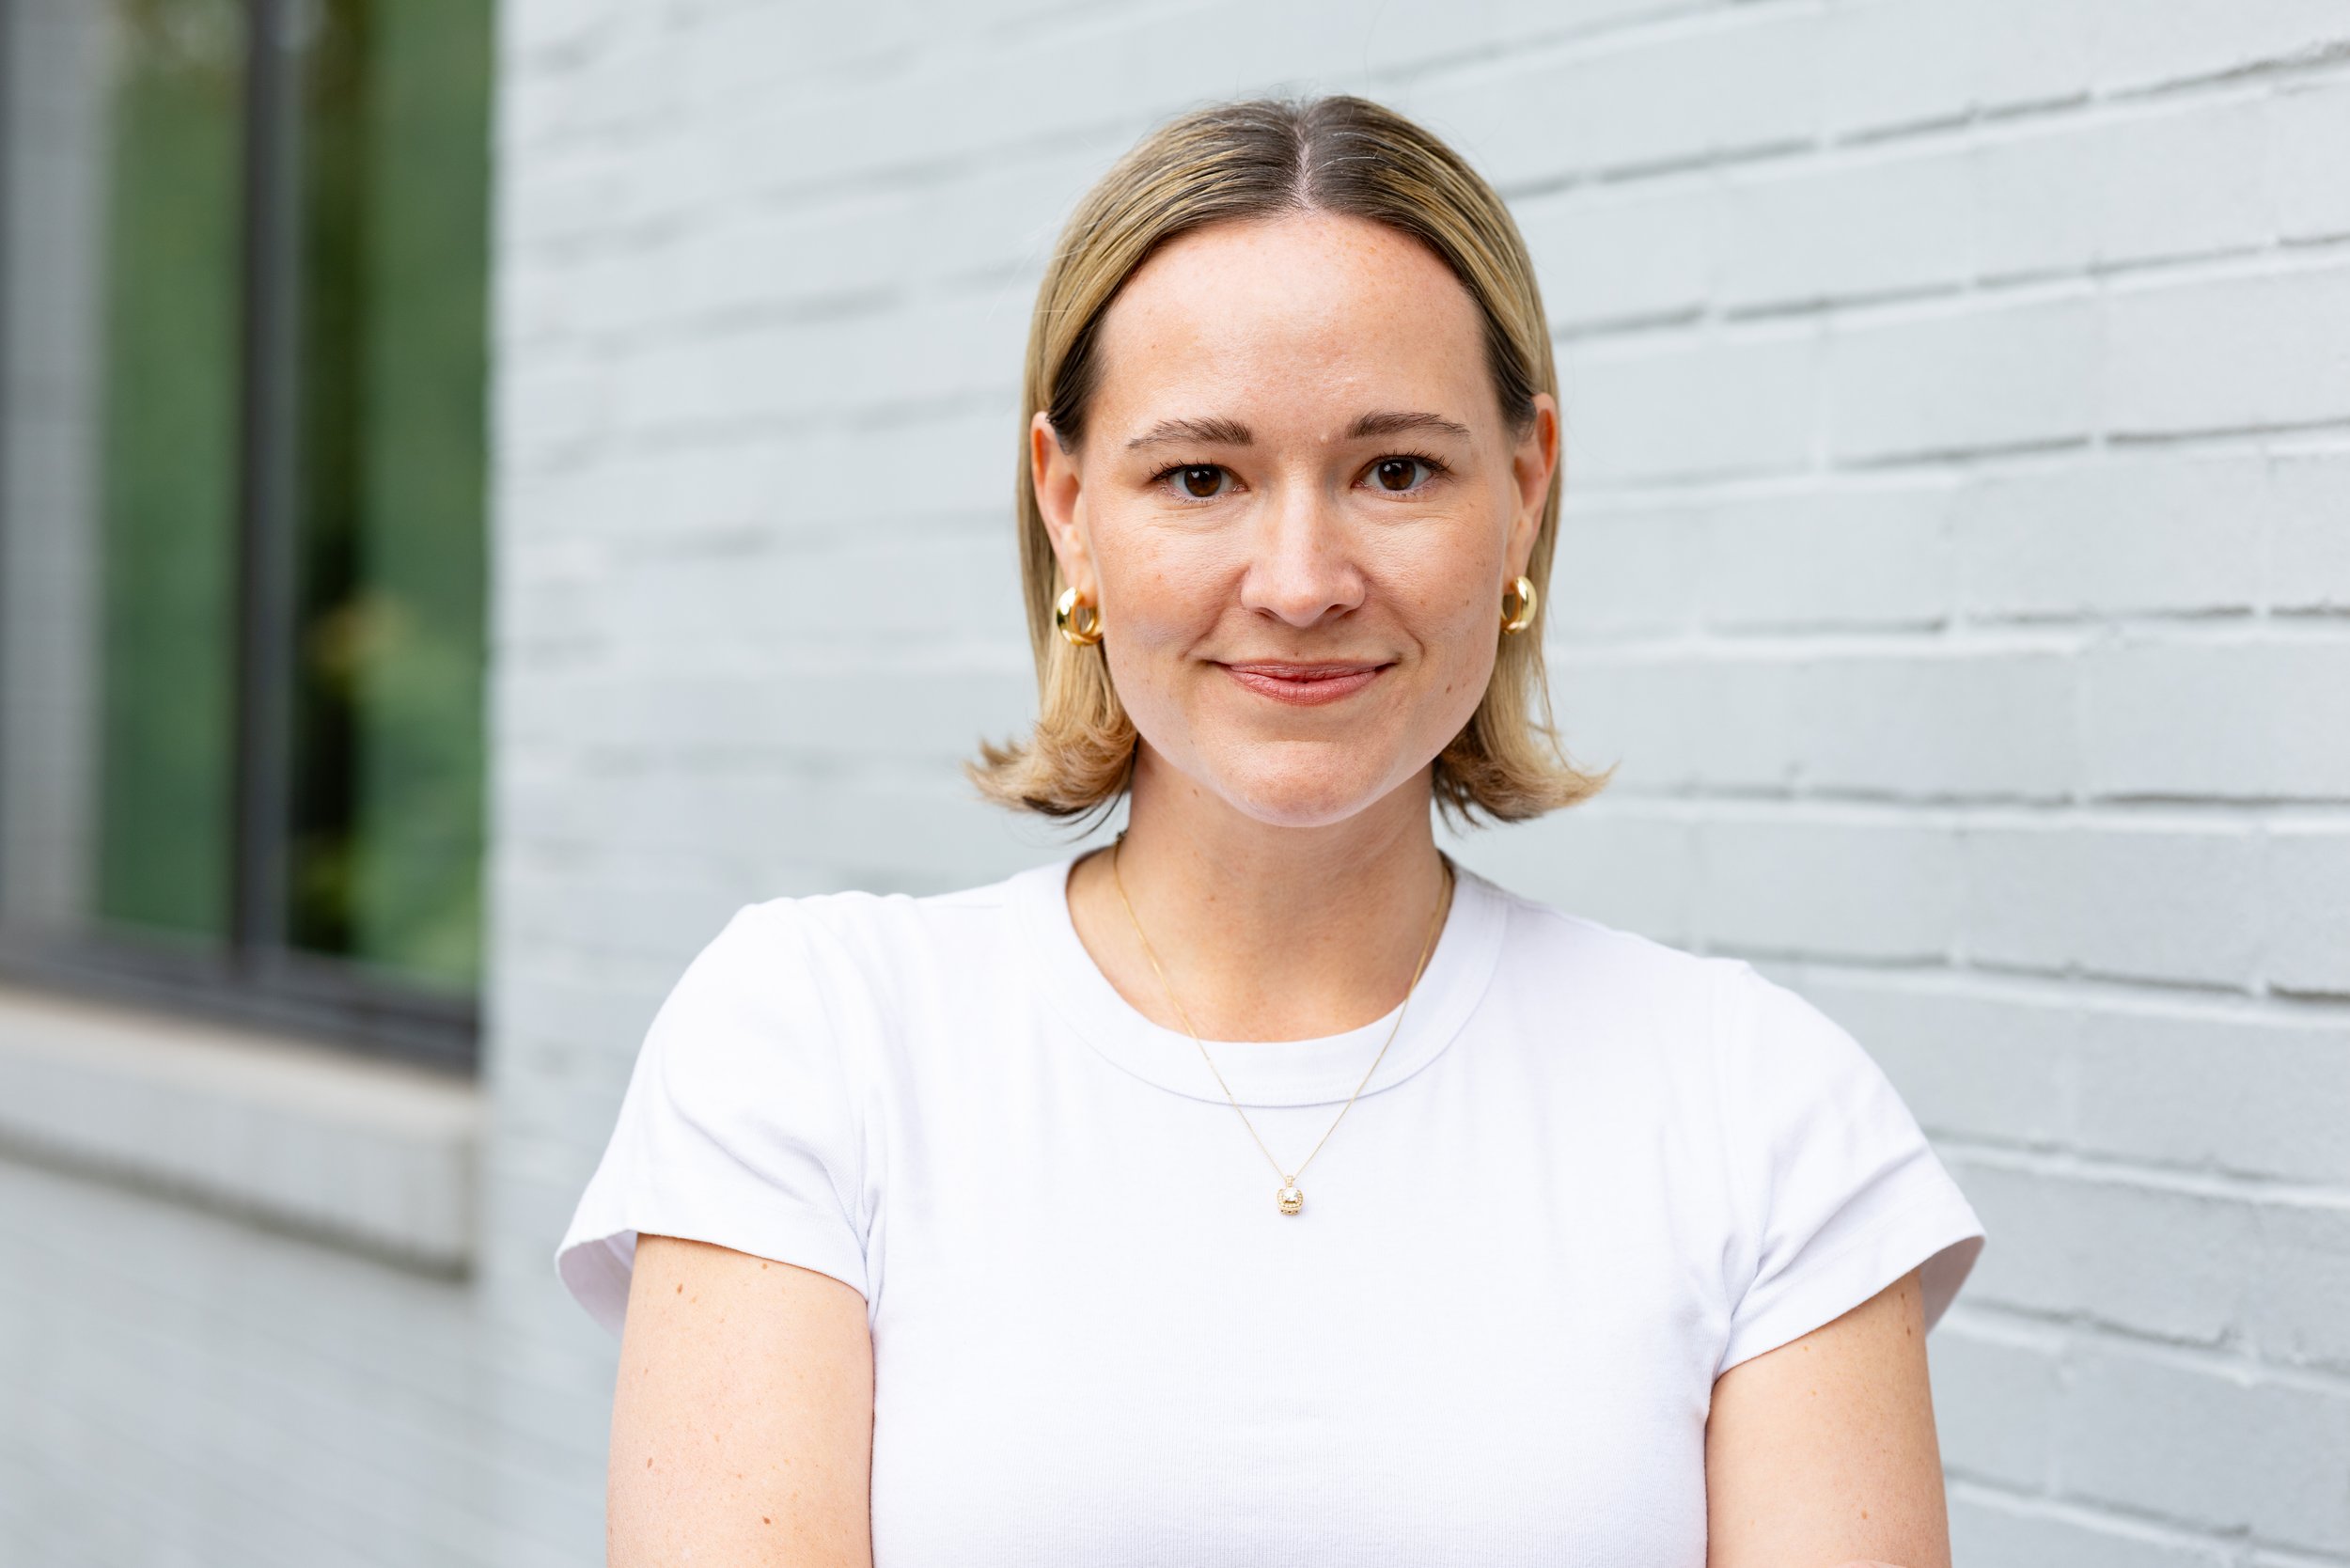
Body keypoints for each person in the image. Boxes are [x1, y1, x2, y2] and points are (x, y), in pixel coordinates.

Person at [555, 94, 1985, 1568]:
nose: (1301, 581)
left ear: (1526, 486)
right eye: (1200, 476)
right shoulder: (817, 1044)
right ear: (1068, 508)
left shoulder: (1761, 1111)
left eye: (1397, 470)